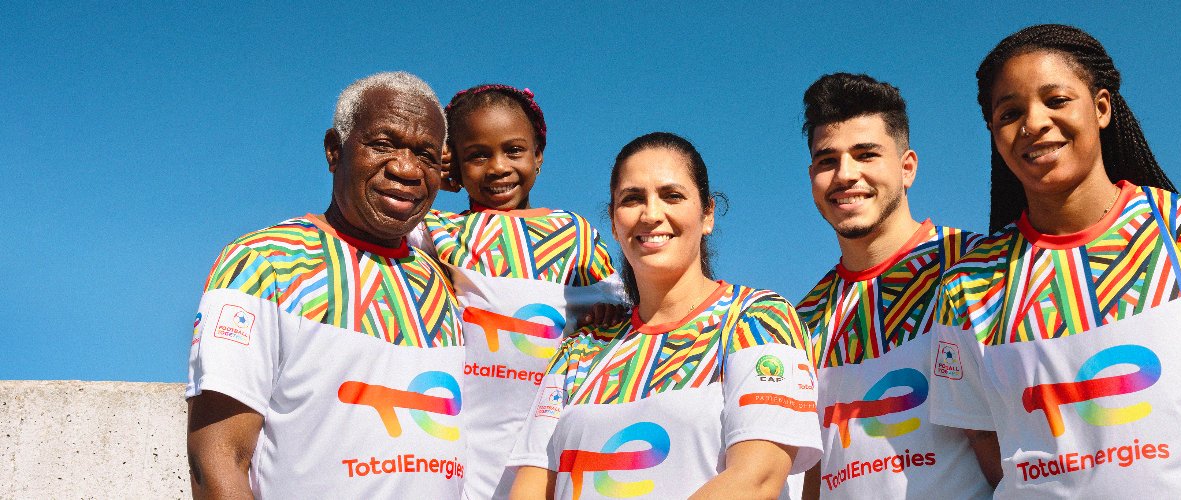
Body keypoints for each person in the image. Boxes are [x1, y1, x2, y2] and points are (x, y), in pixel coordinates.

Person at [930, 24, 1181, 499]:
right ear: (995, 135)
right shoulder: (968, 287)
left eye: (1056, 100)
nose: (1034, 123)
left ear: (1101, 108)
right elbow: (985, 441)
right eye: (1010, 112)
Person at [185, 72, 467, 497]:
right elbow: (218, 460)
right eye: (383, 144)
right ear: (335, 151)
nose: (407, 168)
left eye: (425, 154)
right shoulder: (264, 263)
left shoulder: (446, 285)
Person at [508, 132, 822, 499]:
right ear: (613, 221)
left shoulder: (758, 319)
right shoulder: (580, 350)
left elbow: (756, 479)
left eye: (672, 196)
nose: (651, 214)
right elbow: (530, 489)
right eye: (632, 199)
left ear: (707, 215)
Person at [409, 83, 626, 499]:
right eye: (476, 155)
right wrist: (433, 169)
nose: (497, 168)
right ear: (453, 164)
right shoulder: (437, 230)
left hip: (549, 456)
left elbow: (624, 316)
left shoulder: (574, 236)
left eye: (514, 151)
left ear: (539, 157)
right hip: (464, 461)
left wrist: (608, 321)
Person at [792, 73, 997, 499]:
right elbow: (813, 471)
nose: (845, 175)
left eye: (866, 155)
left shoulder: (980, 266)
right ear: (812, 175)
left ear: (907, 168)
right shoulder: (803, 319)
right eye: (827, 161)